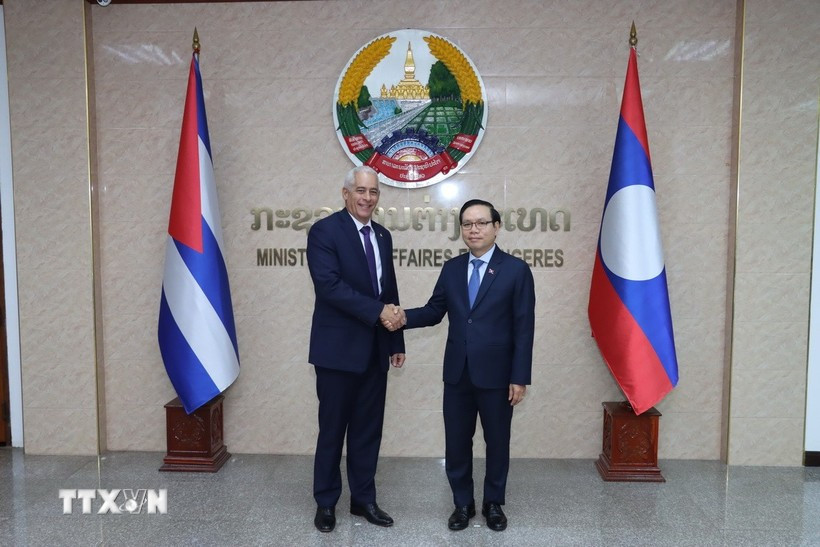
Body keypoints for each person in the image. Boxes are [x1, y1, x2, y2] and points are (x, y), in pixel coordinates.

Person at [397, 198, 535, 532]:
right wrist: (400, 317)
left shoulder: (515, 270)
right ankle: (463, 503)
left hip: (498, 376)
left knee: (497, 441)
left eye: (481, 223)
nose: (474, 229)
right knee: (457, 442)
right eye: (467, 224)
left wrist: (519, 376)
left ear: (496, 227)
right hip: (457, 373)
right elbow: (433, 312)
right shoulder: (452, 269)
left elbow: (524, 327)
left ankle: (493, 503)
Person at [306, 165, 406, 533]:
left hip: (375, 351)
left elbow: (388, 289)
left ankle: (363, 500)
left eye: (374, 192)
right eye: (361, 191)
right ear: (345, 193)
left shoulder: (382, 235)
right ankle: (326, 502)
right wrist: (378, 311)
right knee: (332, 429)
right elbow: (329, 287)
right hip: (336, 352)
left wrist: (395, 340)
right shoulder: (324, 232)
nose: (367, 198)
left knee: (368, 431)